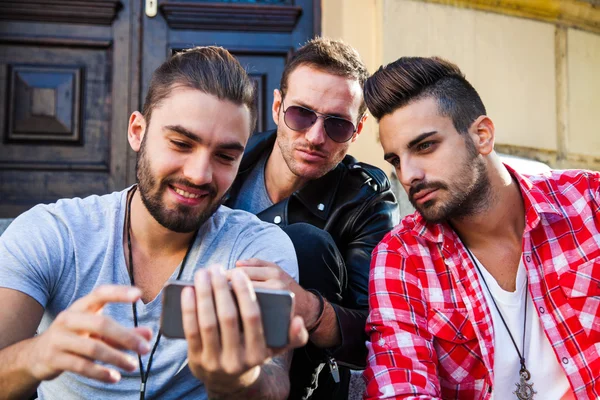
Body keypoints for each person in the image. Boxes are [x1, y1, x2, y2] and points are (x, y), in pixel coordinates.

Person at [0, 46, 308, 400]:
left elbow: (274, 384)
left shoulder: (258, 248)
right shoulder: (53, 233)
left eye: (225, 156)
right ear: (137, 131)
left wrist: (238, 380)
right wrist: (39, 354)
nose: (199, 174)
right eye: (180, 143)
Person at [362, 56, 600, 400]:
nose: (408, 174)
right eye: (396, 159)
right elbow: (400, 389)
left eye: (424, 146)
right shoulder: (403, 258)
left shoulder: (588, 203)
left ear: (482, 136)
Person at [225, 37, 398, 399]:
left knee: (304, 244)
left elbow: (377, 331)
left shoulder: (365, 200)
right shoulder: (226, 164)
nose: (315, 137)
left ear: (358, 130)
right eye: (301, 114)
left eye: (337, 125)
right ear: (276, 107)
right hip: (204, 350)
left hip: (304, 381)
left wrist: (311, 310)